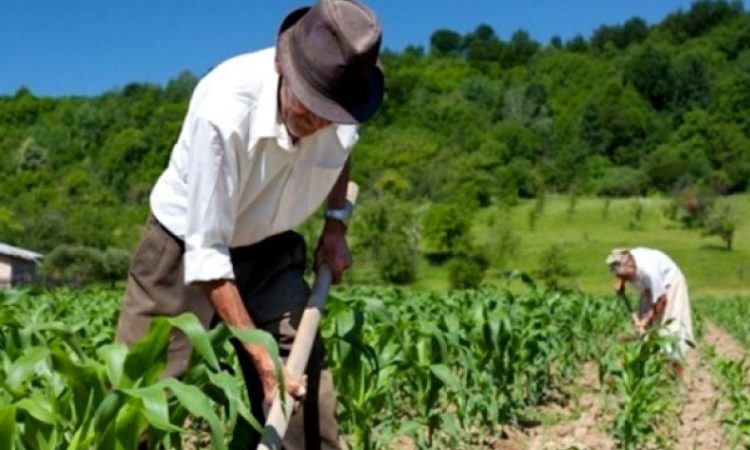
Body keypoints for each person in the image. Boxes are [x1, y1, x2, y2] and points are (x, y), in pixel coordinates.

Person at [114, 0, 384, 448]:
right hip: (183, 250)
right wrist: (261, 363)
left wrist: (335, 225)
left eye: (329, 114)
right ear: (281, 63)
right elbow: (208, 258)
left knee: (304, 391)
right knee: (138, 404)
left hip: (269, 245)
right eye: (308, 107)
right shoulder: (223, 109)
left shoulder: (343, 101)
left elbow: (342, 150)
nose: (318, 123)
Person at [606, 247, 695, 374]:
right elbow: (620, 268)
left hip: (669, 284)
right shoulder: (627, 261)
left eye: (628, 276)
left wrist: (646, 320)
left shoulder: (649, 271)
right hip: (650, 287)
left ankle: (675, 373)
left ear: (631, 267)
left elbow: (661, 300)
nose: (629, 280)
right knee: (645, 332)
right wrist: (621, 281)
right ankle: (651, 368)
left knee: (670, 329)